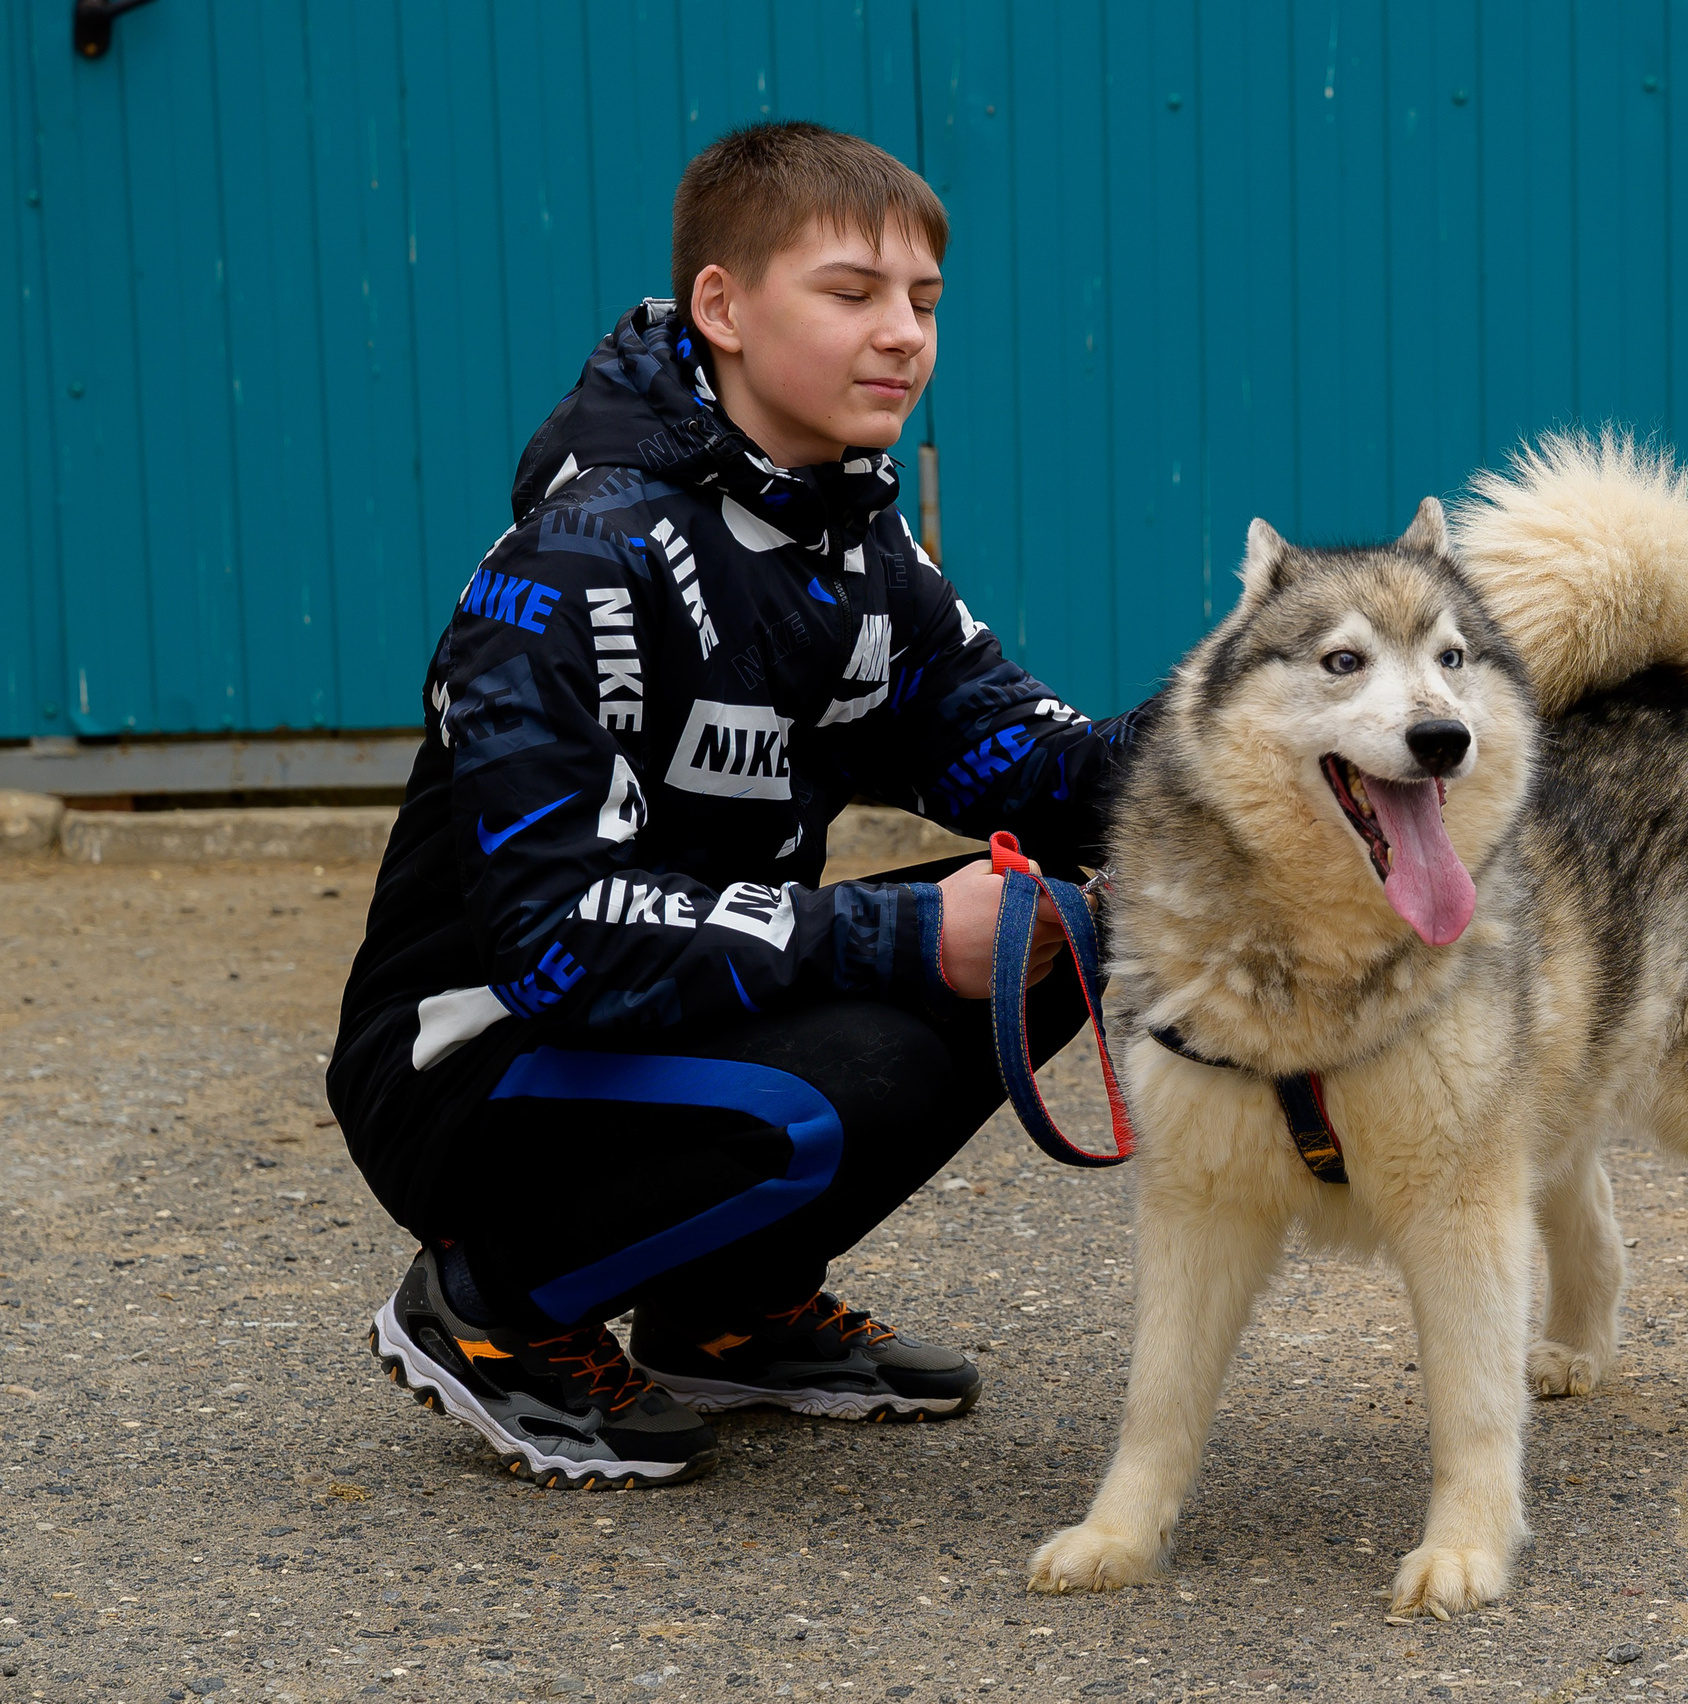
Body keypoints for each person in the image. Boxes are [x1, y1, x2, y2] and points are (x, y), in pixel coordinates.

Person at [327, 122, 1142, 1488]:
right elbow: (560, 943)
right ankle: (495, 1307)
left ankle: (726, 1309)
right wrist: (890, 940)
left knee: (1054, 928)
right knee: (868, 1061)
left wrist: (1288, 706)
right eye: (850, 293)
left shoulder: (855, 541)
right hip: (474, 1066)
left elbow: (1036, 770)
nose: (902, 337)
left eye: (924, 304)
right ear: (723, 306)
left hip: (672, 1006)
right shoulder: (580, 559)